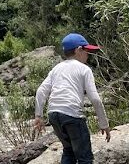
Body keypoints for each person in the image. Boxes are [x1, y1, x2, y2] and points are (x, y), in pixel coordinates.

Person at [33, 33, 111, 164]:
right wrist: (104, 123)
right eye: (86, 51)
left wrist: (38, 116)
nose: (88, 55)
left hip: (53, 115)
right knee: (85, 158)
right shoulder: (84, 69)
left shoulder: (56, 69)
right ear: (78, 50)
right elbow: (95, 99)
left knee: (68, 151)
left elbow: (41, 91)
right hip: (72, 115)